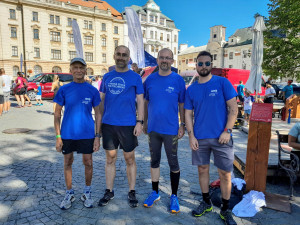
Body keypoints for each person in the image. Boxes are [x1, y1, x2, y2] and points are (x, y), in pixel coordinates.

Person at [185, 51, 238, 225]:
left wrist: (227, 131)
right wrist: (191, 135)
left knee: (225, 174)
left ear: (211, 65)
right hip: (200, 138)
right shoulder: (192, 89)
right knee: (202, 170)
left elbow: (233, 109)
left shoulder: (222, 82)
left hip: (222, 137)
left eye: (207, 63)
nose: (204, 67)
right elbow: (187, 114)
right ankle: (206, 202)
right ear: (196, 65)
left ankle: (225, 209)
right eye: (200, 64)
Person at [98, 45, 144, 208]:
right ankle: (109, 190)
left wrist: (140, 122)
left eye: (124, 55)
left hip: (128, 124)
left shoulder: (135, 77)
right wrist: (99, 122)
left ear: (129, 57)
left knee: (129, 158)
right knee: (110, 158)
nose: (121, 57)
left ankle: (132, 191)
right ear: (114, 55)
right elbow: (100, 100)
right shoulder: (107, 77)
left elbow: (140, 100)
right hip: (109, 124)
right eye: (118, 54)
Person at [54, 57, 101, 210]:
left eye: (81, 68)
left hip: (87, 133)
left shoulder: (92, 90)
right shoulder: (64, 89)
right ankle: (69, 193)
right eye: (76, 67)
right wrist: (58, 137)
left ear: (85, 70)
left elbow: (99, 114)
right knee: (67, 162)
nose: (79, 70)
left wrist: (97, 136)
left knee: (88, 163)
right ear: (71, 70)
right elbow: (57, 114)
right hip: (67, 134)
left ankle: (87, 192)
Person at [143, 48, 186, 213]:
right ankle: (155, 192)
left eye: (168, 58)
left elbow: (182, 104)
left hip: (170, 130)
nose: (165, 60)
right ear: (158, 60)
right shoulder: (150, 80)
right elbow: (146, 102)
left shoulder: (178, 80)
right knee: (154, 161)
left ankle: (174, 195)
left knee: (173, 162)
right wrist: (144, 121)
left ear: (172, 61)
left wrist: (182, 125)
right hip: (153, 129)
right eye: (162, 57)